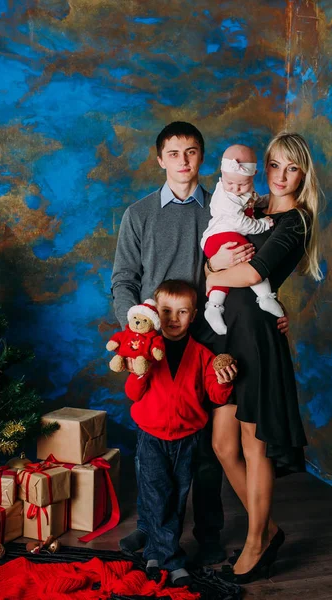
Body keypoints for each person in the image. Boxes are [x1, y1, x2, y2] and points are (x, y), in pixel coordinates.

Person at [111, 121, 288, 565]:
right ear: (160, 159)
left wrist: (273, 310)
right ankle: (151, 528)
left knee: (207, 444)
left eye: (191, 152)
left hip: (207, 336)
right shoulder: (139, 214)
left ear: (202, 158)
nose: (183, 161)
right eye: (174, 153)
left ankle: (209, 532)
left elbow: (255, 265)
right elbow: (123, 281)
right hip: (154, 338)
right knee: (152, 435)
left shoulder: (222, 208)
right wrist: (136, 329)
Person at [205, 132, 322, 583]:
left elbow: (254, 272)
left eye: (291, 168)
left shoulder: (296, 220)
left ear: (303, 174)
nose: (281, 175)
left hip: (256, 335)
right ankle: (268, 529)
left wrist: (213, 270)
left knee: (255, 447)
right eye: (274, 165)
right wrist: (211, 267)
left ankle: (256, 543)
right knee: (222, 444)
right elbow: (213, 244)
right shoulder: (250, 207)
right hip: (227, 335)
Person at [124, 280, 236, 586]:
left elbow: (216, 396)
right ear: (155, 313)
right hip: (152, 437)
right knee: (157, 496)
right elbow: (133, 394)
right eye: (167, 311)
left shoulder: (202, 354)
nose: (174, 318)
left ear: (195, 314)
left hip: (187, 439)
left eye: (182, 311)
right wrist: (139, 372)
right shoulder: (146, 350)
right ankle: (172, 561)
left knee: (176, 499)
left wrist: (224, 380)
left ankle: (154, 553)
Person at [201, 144, 284, 336]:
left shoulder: (241, 189)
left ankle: (213, 307)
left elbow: (252, 200)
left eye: (242, 184)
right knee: (247, 258)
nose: (236, 189)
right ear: (222, 173)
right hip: (219, 237)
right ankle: (264, 296)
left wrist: (267, 201)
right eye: (231, 183)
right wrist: (263, 224)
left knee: (229, 271)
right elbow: (242, 223)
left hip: (222, 239)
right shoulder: (225, 198)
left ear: (253, 175)